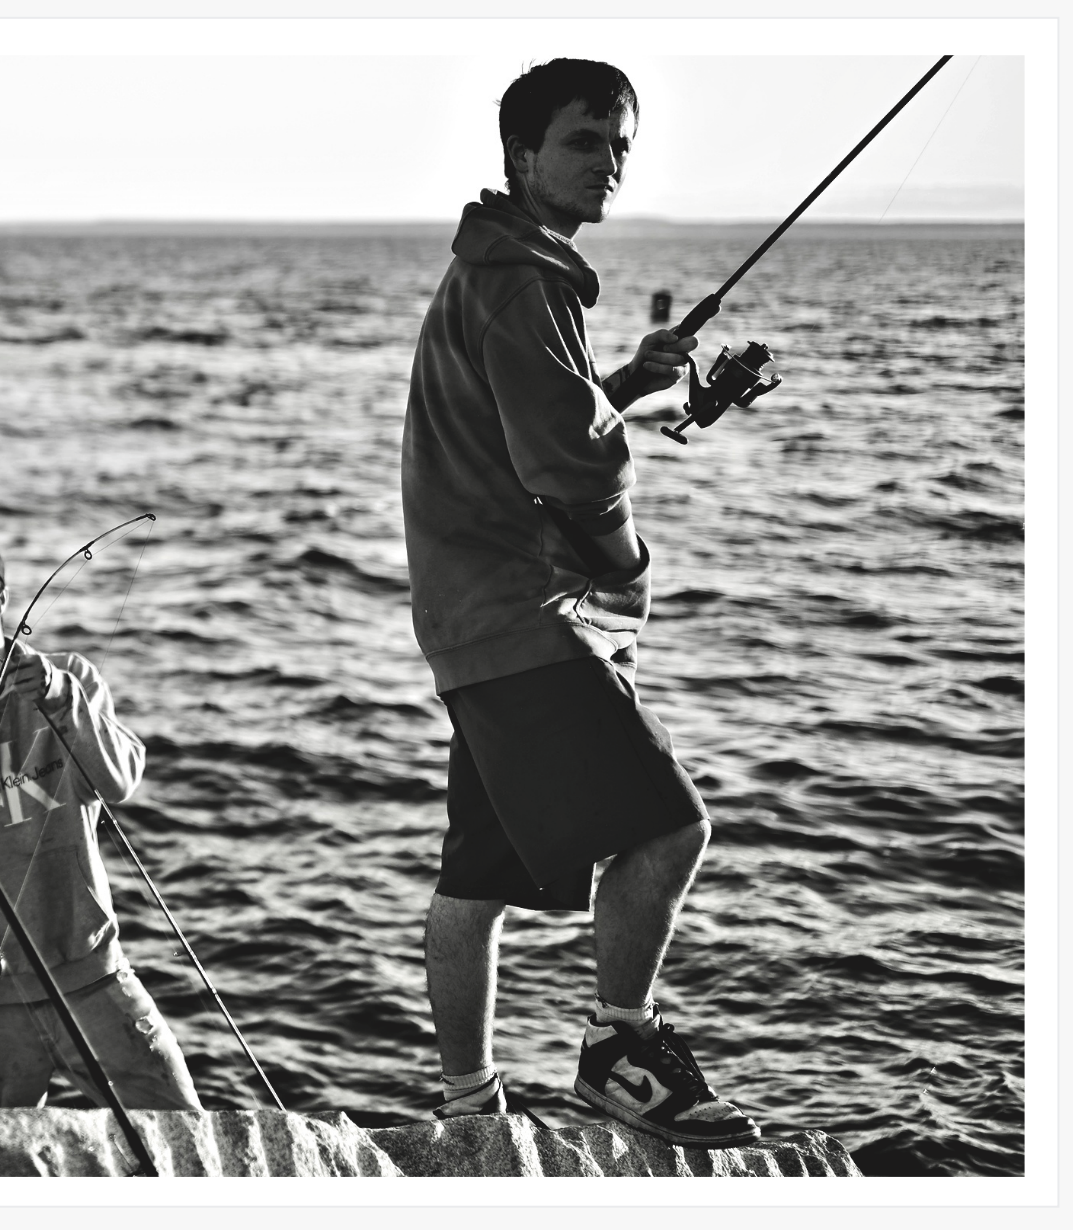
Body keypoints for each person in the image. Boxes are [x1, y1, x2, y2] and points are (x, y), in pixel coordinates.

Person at [400, 59, 757, 1146]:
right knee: (667, 827)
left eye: (617, 147)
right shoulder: (523, 282)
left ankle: (466, 1111)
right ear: (518, 155)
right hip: (520, 617)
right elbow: (567, 470)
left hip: (469, 624)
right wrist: (624, 561)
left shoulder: (497, 271)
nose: (604, 164)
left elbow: (537, 429)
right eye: (582, 142)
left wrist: (624, 389)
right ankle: (616, 1056)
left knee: (479, 874)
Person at [0, 528, 203, 1113]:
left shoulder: (68, 677)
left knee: (180, 1120)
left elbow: (121, 777)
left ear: (2, 598)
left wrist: (61, 700)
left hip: (86, 968)